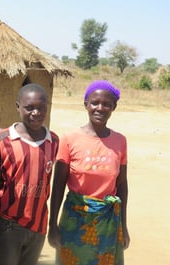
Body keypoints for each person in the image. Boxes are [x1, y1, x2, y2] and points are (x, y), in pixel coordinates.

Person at [48, 80, 130, 265]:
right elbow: (58, 185)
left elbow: (122, 185)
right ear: (86, 104)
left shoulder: (120, 141)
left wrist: (123, 227)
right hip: (74, 220)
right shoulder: (69, 139)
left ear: (114, 107)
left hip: (107, 222)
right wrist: (53, 224)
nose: (100, 108)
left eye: (106, 104)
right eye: (95, 103)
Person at [0, 83, 59, 265]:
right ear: (18, 107)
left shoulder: (53, 141)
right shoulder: (2, 139)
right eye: (29, 108)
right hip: (7, 224)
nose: (36, 113)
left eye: (41, 108)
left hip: (38, 225)